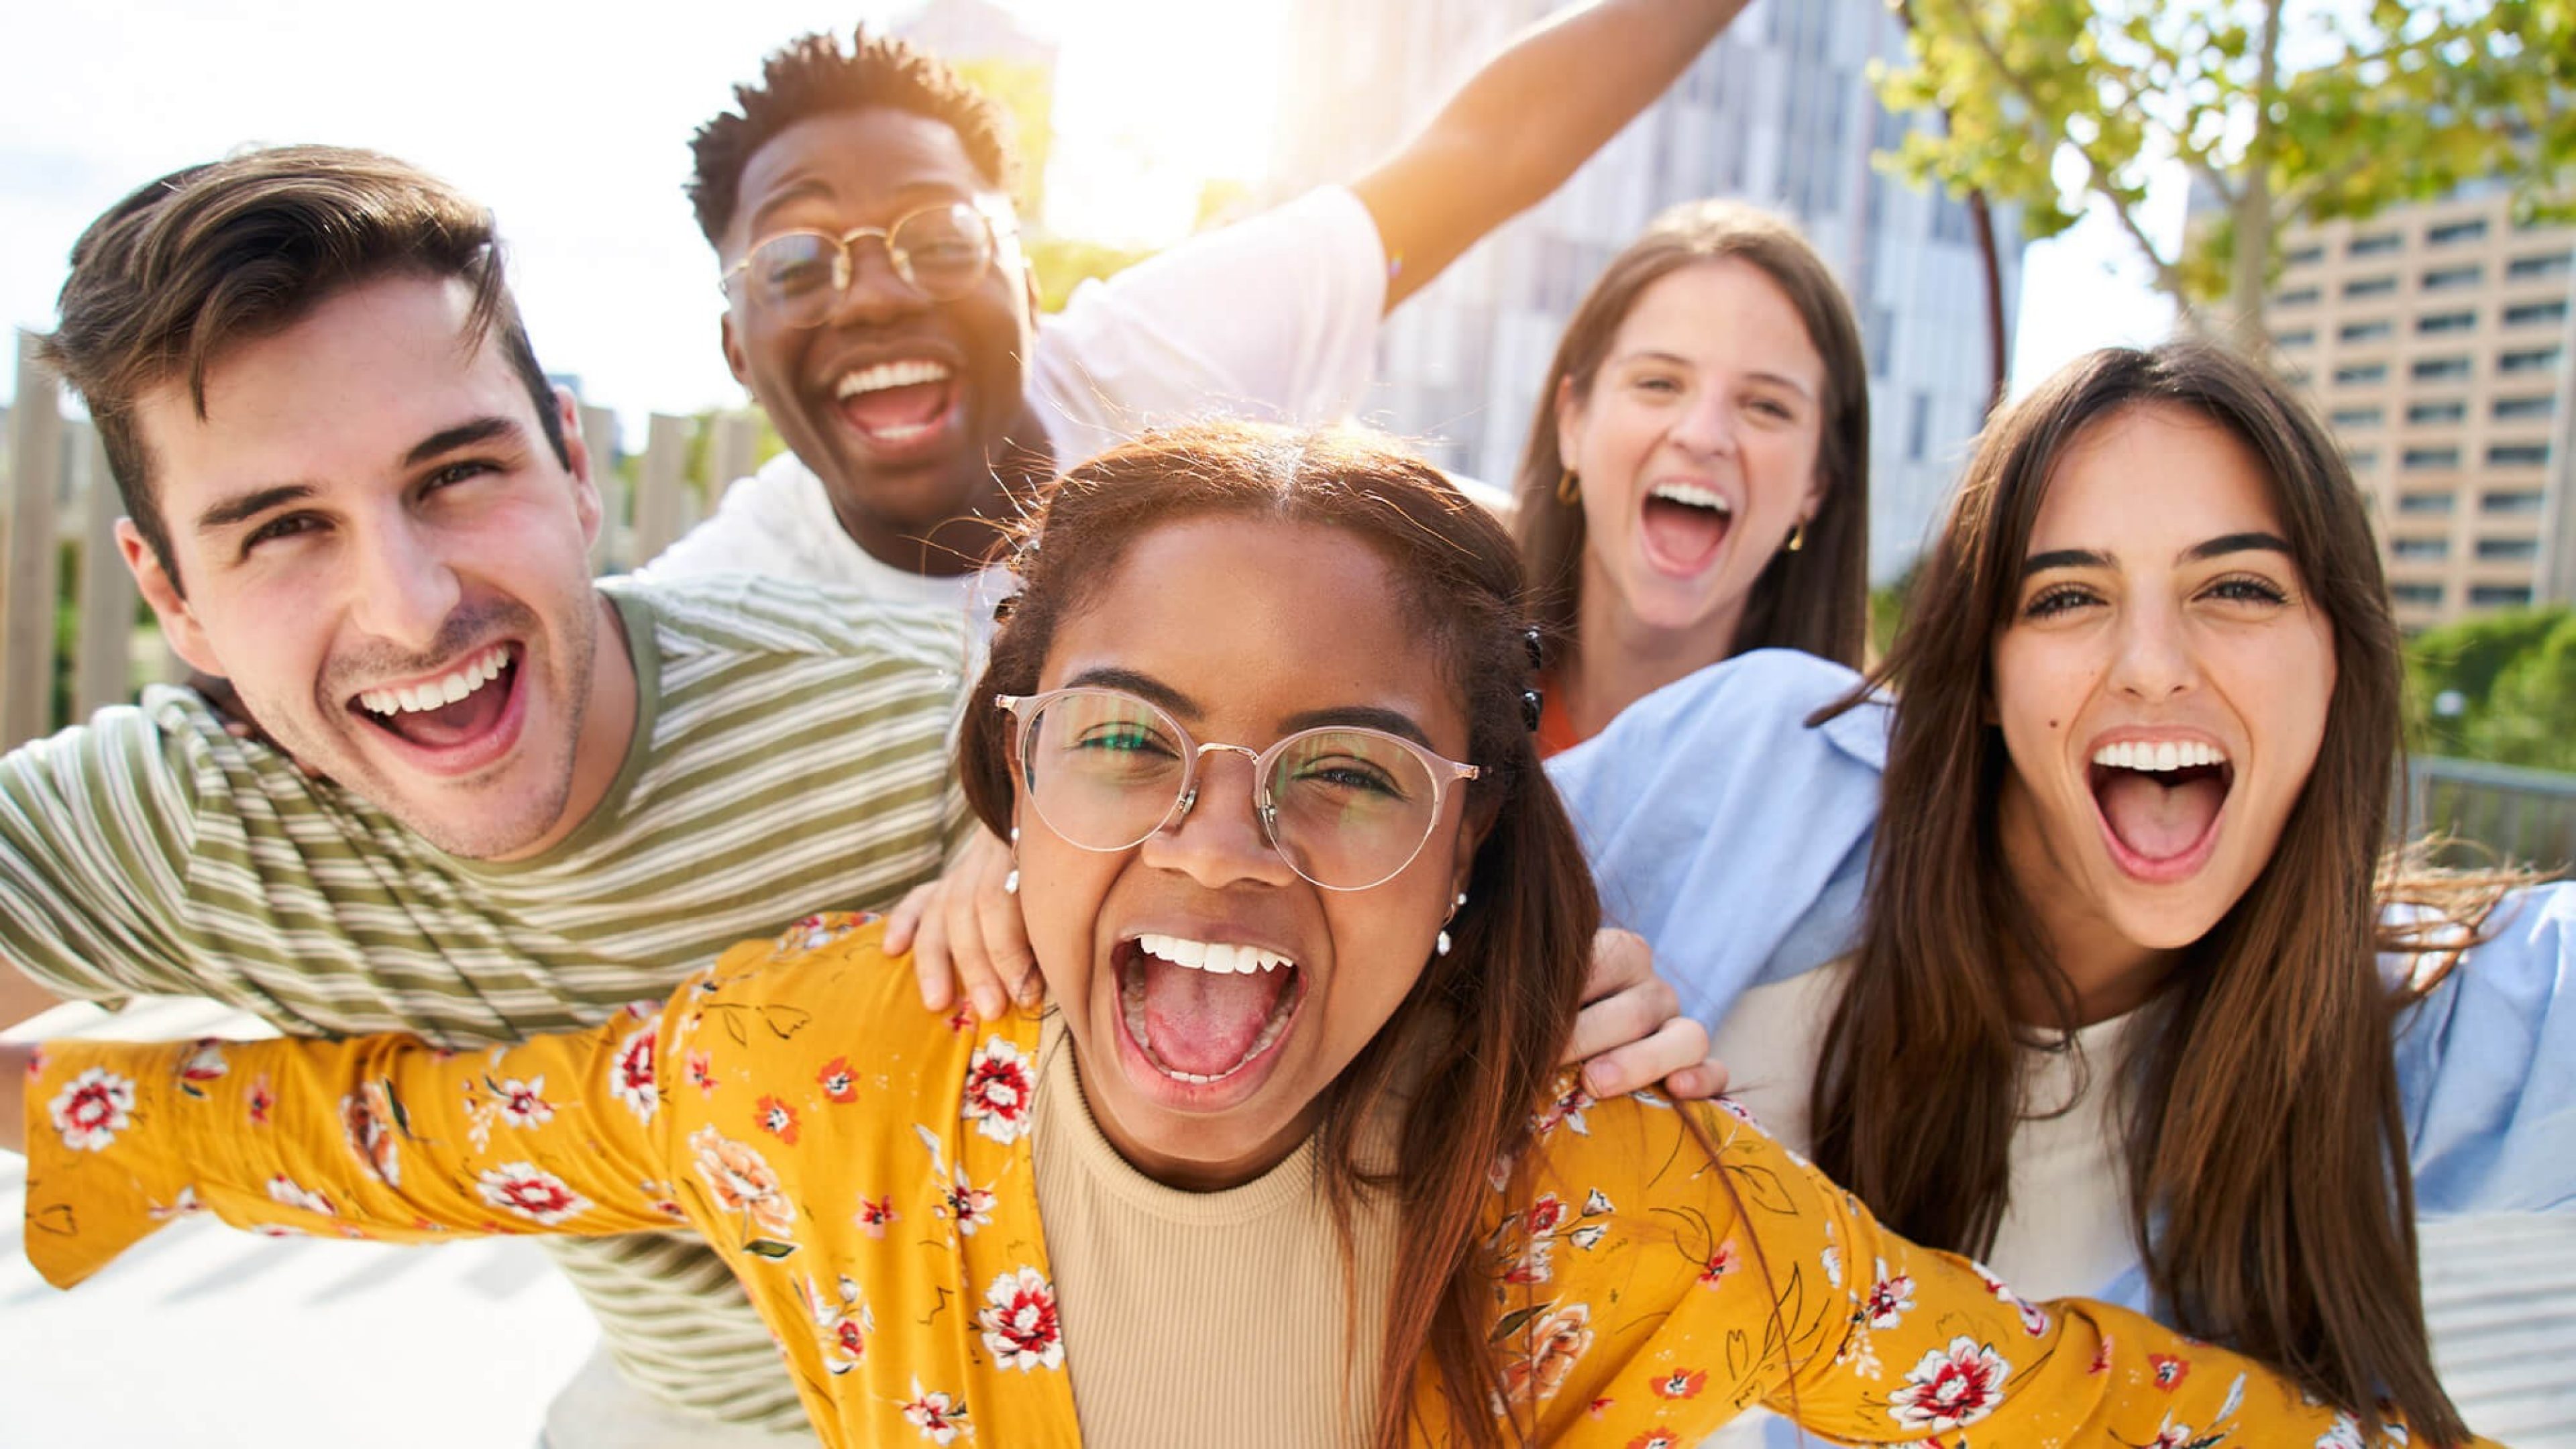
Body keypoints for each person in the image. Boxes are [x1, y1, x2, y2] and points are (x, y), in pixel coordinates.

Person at [3, 421, 2470, 1449]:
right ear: (1005, 780)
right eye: (1124, 744)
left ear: (1482, 846)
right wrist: (77, 1113)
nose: (1222, 844)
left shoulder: (1609, 1216)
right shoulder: (831, 1068)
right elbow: (420, 1131)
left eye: (1348, 772)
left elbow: (2037, 1386)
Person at [1, 150, 1711, 1448]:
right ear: (170, 595)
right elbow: (434, 1139)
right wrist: (68, 1109)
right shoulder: (178, 818)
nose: (406, 604)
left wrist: (1524, 982)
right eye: (279, 527)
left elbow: (1309, 863)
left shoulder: (911, 726)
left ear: (573, 468)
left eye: (458, 474)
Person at [1552, 343, 2576, 1448]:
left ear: (2336, 656)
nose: (2150, 663)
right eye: (2069, 595)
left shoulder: (2403, 1012)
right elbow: (1383, 872)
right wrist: (1517, 990)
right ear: (1988, 674)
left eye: (2236, 587)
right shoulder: (1765, 763)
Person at [647, 3, 1766, 604]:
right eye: (798, 264)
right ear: (736, 352)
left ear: (1028, 291)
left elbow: (1485, 151)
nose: (878, 294)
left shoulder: (1156, 361)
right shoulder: (723, 608)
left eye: (939, 239)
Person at [1512, 201, 1870, 755]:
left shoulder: (1858, 804)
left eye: (1767, 407)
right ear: (1573, 422)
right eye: (1658, 383)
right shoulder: (1440, 699)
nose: (1703, 436)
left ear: (1817, 482)